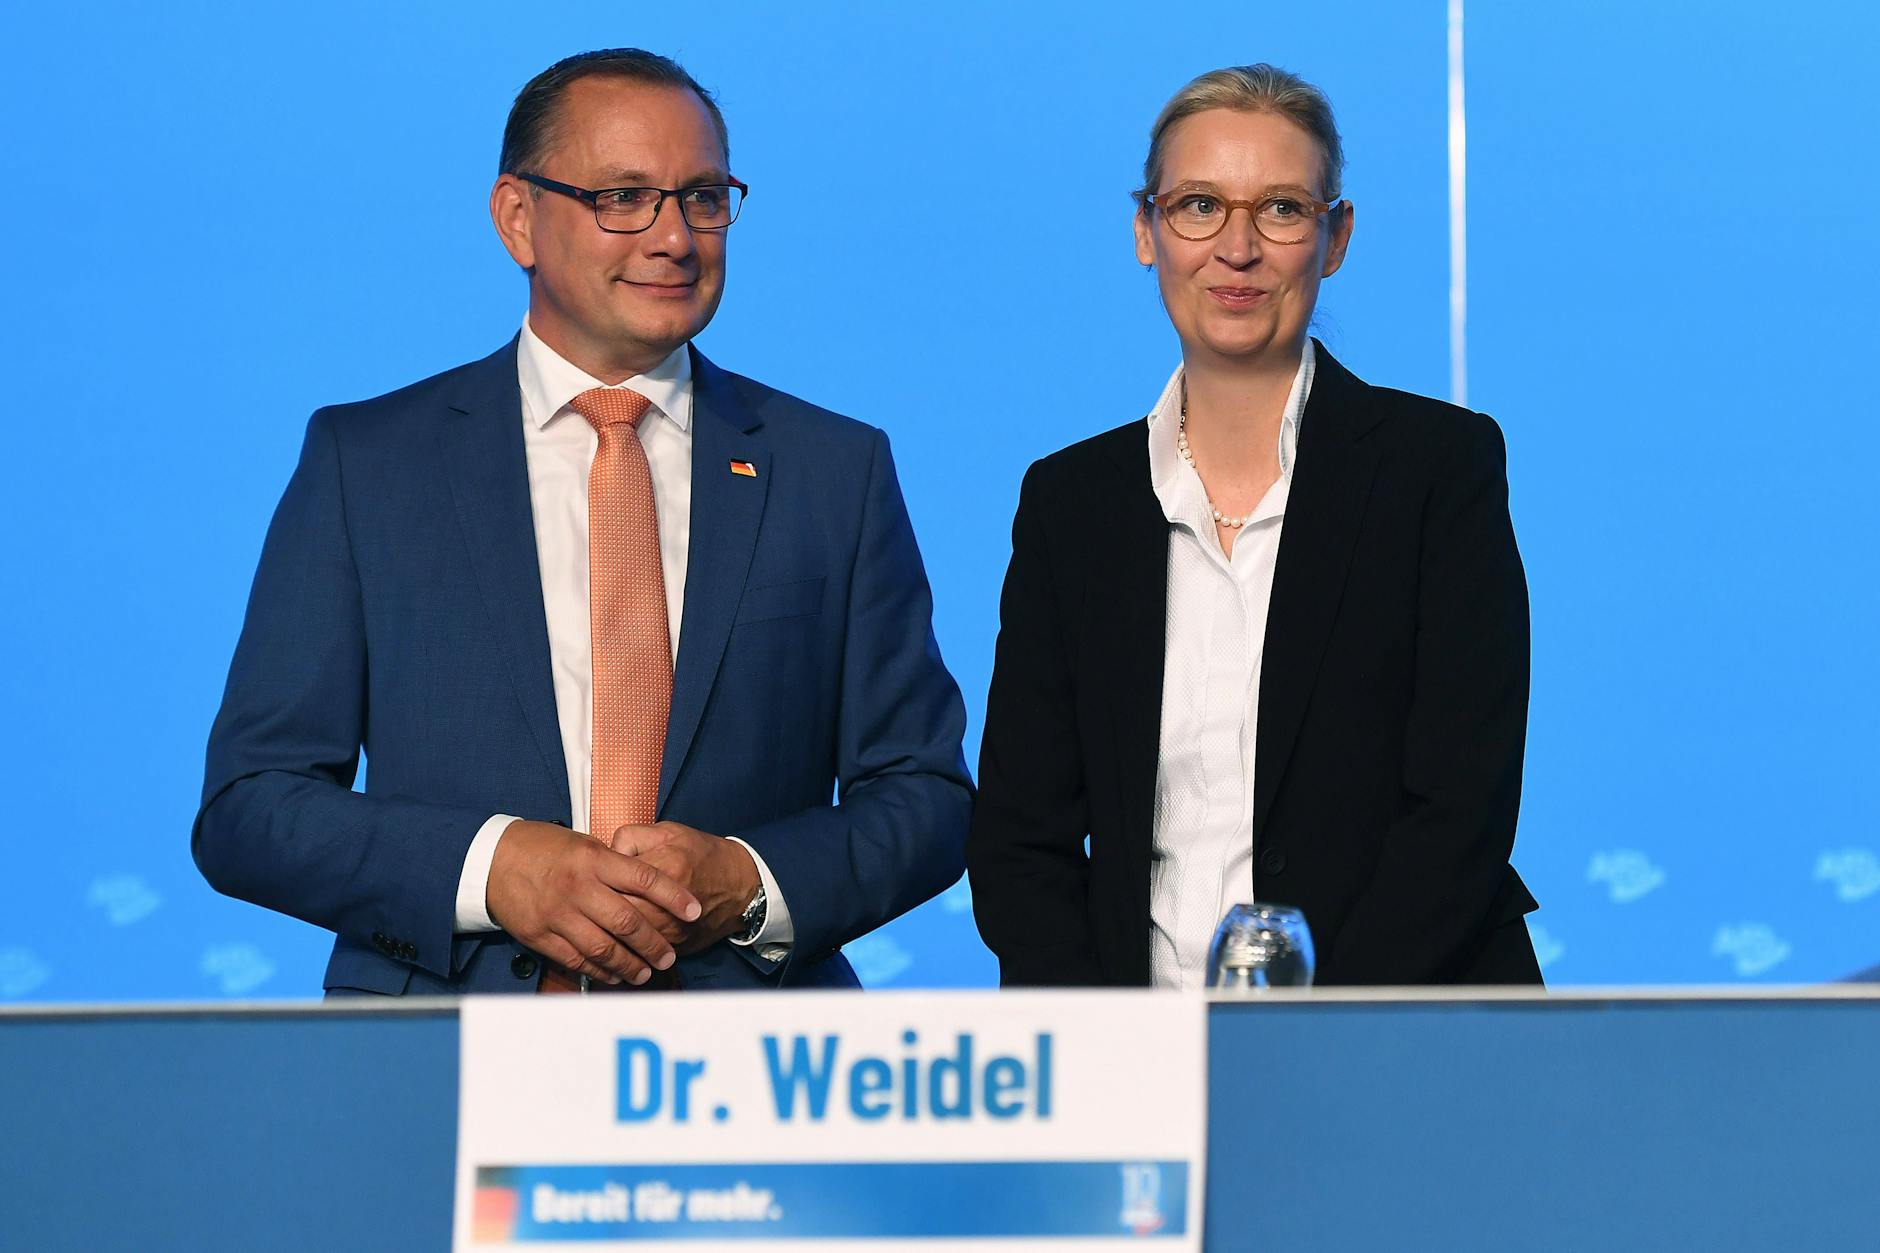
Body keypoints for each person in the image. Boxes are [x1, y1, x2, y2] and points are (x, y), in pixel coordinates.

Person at [195, 48, 971, 995]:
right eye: (623, 197)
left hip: (746, 1065)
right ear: (516, 218)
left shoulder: (831, 470)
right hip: (443, 1057)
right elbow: (251, 807)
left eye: (702, 197)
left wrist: (748, 882)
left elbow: (925, 798)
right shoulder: (369, 464)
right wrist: (493, 867)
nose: (673, 237)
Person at [966, 65, 1539, 988]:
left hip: (1401, 1033)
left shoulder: (1440, 469)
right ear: (1146, 230)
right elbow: (1018, 838)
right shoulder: (1071, 502)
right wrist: (1105, 1047)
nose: (1237, 248)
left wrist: (1312, 1042)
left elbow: (1460, 812)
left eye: (1279, 209)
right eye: (1198, 206)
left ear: (1335, 236)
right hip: (1133, 1056)